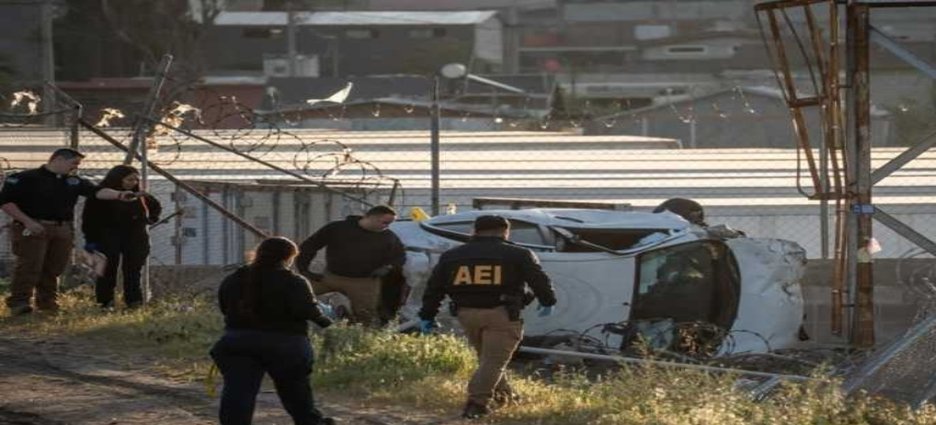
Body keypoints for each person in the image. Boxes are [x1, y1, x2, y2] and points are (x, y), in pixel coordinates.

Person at [418, 215, 557, 419]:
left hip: (466, 314)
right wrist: (548, 301)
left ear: (474, 230)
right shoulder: (518, 254)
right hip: (502, 314)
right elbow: (539, 281)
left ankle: (505, 396)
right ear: (505, 231)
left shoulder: (452, 256)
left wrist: (427, 315)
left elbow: (434, 289)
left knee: (487, 360)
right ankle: (477, 402)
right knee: (493, 361)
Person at [210, 236, 336, 425]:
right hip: (286, 344)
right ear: (288, 258)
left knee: (238, 392)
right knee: (295, 392)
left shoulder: (234, 278)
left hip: (238, 342)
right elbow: (307, 311)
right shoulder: (294, 281)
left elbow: (224, 307)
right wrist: (328, 323)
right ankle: (311, 423)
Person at [0, 148, 139, 316]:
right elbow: (6, 202)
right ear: (58, 159)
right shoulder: (24, 178)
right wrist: (27, 221)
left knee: (54, 267)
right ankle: (19, 303)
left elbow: (96, 192)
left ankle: (47, 303)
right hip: (32, 227)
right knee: (30, 265)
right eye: (73, 163)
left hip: (62, 228)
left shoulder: (73, 181)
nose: (75, 167)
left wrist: (119, 195)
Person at [296, 205, 405, 326]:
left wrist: (388, 267)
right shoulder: (337, 228)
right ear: (372, 217)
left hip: (365, 282)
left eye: (389, 224)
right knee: (296, 294)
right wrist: (304, 270)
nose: (387, 226)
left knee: (366, 317)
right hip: (331, 277)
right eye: (385, 222)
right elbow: (309, 246)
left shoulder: (388, 236)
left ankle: (363, 340)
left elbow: (399, 256)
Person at [81, 165, 162, 309]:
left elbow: (155, 206)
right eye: (129, 179)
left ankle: (134, 302)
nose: (134, 183)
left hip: (136, 236)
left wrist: (151, 219)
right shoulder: (102, 194)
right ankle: (105, 302)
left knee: (133, 271)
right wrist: (91, 241)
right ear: (118, 179)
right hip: (108, 236)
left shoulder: (138, 195)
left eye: (136, 180)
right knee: (107, 270)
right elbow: (89, 219)